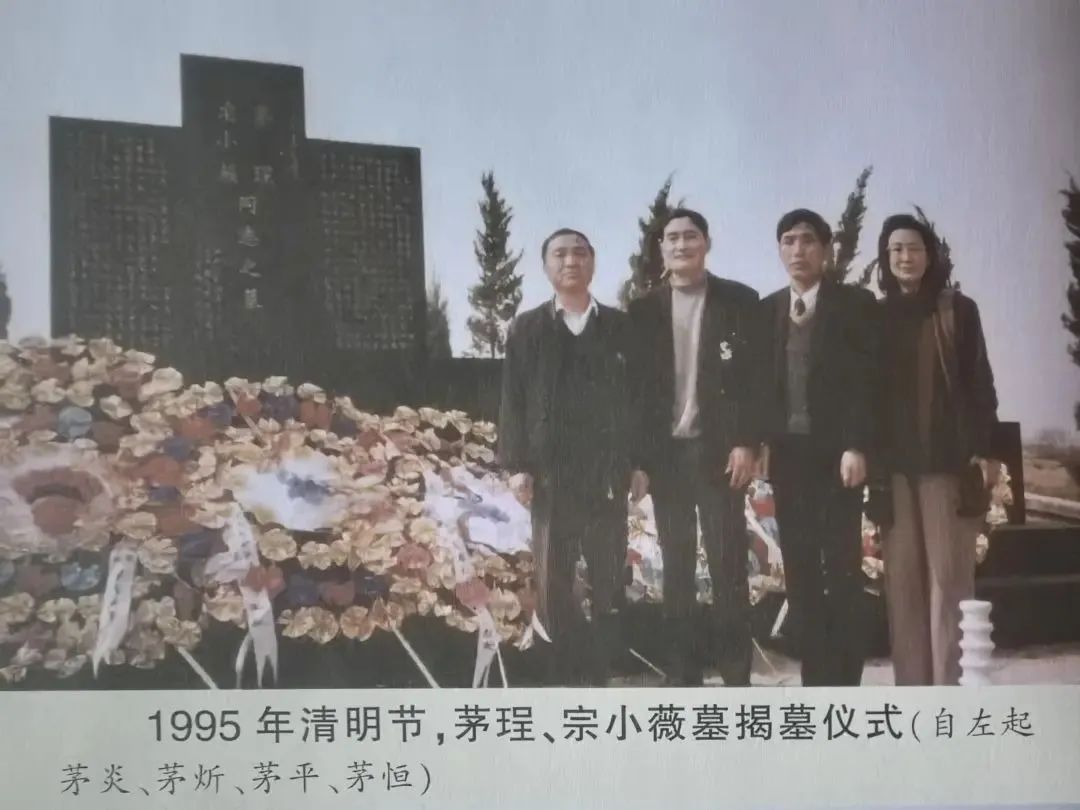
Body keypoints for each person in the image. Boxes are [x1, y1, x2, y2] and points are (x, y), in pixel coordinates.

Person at [497, 228, 648, 686]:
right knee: (554, 579)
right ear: (546, 266)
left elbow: (641, 400)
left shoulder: (621, 327)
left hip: (607, 472)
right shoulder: (527, 328)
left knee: (608, 577)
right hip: (551, 474)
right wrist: (516, 466)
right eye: (560, 254)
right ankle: (559, 678)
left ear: (593, 262)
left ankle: (600, 675)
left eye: (579, 253)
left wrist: (640, 463)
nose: (570, 262)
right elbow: (513, 401)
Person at [628, 208, 761, 686]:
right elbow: (636, 394)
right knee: (677, 568)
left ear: (706, 243)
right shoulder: (642, 310)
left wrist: (746, 442)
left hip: (720, 454)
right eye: (672, 238)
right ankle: (682, 677)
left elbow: (753, 381)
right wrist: (638, 461)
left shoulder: (739, 301)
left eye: (690, 236)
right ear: (661, 248)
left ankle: (736, 677)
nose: (681, 245)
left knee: (729, 567)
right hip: (667, 459)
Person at [873, 213, 1000, 686]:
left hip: (947, 467)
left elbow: (980, 382)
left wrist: (983, 450)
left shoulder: (957, 309)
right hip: (894, 472)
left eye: (914, 248)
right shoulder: (875, 316)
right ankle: (913, 696)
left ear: (930, 255)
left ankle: (948, 692)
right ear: (885, 258)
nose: (905, 257)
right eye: (896, 249)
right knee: (902, 588)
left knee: (949, 584)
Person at [758, 208, 879, 686]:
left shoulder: (854, 304)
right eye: (788, 241)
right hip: (789, 459)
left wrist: (857, 444)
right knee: (801, 571)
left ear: (825, 249)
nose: (798, 250)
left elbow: (867, 382)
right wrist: (762, 442)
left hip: (838, 458)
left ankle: (845, 681)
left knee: (842, 569)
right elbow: (758, 387)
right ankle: (815, 680)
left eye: (807, 240)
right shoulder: (768, 309)